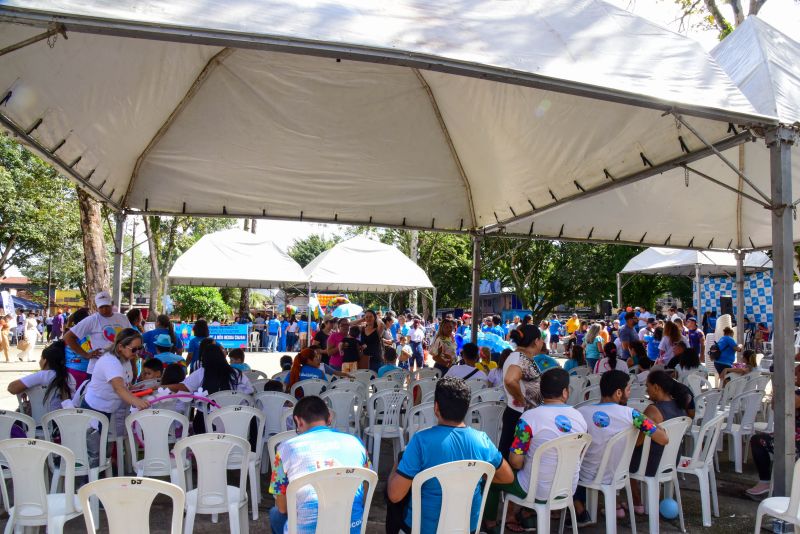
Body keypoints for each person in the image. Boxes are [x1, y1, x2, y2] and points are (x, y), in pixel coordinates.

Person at [387, 377, 513, 533]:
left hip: (423, 528)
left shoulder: (421, 441)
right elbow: (507, 477)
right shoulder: (482, 441)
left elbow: (395, 495)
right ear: (467, 408)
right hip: (468, 527)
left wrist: (397, 463)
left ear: (436, 408)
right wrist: (479, 473)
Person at [483, 368, 587, 532]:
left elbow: (516, 462)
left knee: (493, 478)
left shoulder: (529, 418)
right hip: (568, 488)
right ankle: (525, 514)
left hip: (535, 490)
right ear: (565, 392)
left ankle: (490, 524)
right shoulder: (579, 417)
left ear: (541, 392)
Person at [572, 370, 667, 524]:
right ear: (618, 393)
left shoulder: (581, 412)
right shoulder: (632, 415)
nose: (629, 393)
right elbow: (663, 439)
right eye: (628, 389)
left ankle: (579, 510)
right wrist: (649, 422)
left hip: (586, 474)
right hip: (618, 474)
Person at [269, 396, 372, 534]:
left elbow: (282, 508)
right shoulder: (356, 443)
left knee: (275, 514)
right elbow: (367, 485)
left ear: (298, 421)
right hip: (351, 528)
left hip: (306, 530)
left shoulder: (285, 449)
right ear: (329, 418)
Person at [629, 370, 693, 511]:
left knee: (624, 459)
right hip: (671, 461)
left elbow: (638, 442)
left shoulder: (652, 411)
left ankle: (636, 502)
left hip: (651, 464)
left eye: (648, 386)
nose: (646, 389)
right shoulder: (680, 407)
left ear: (656, 387)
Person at [499, 324, 554, 461]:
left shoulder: (521, 357)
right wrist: (521, 399)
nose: (542, 342)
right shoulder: (519, 358)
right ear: (536, 341)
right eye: (541, 339)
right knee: (510, 457)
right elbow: (510, 380)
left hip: (521, 414)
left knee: (511, 455)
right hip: (519, 415)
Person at [746, 364, 800, 497]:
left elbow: (780, 406)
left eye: (797, 373)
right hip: (794, 436)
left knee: (757, 440)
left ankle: (765, 481)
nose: (795, 376)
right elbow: (776, 407)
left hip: (796, 443)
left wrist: (783, 386)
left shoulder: (797, 396)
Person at [82, 328, 150, 417]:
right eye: (134, 349)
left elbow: (123, 382)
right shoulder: (110, 361)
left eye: (140, 348)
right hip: (95, 409)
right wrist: (137, 402)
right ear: (120, 347)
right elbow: (118, 388)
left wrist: (133, 388)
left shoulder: (125, 359)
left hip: (108, 408)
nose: (137, 352)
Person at [64, 291, 132, 377]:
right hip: (99, 369)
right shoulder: (92, 320)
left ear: (112, 304)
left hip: (122, 367)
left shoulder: (122, 318)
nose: (104, 309)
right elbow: (68, 337)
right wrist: (86, 354)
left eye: (107, 306)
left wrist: (133, 365)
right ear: (96, 307)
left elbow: (132, 338)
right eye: (101, 307)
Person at [8, 339, 76, 412]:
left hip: (39, 419)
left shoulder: (43, 375)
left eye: (41, 358)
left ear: (45, 361)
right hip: (62, 419)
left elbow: (11, 388)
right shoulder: (69, 377)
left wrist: (28, 389)